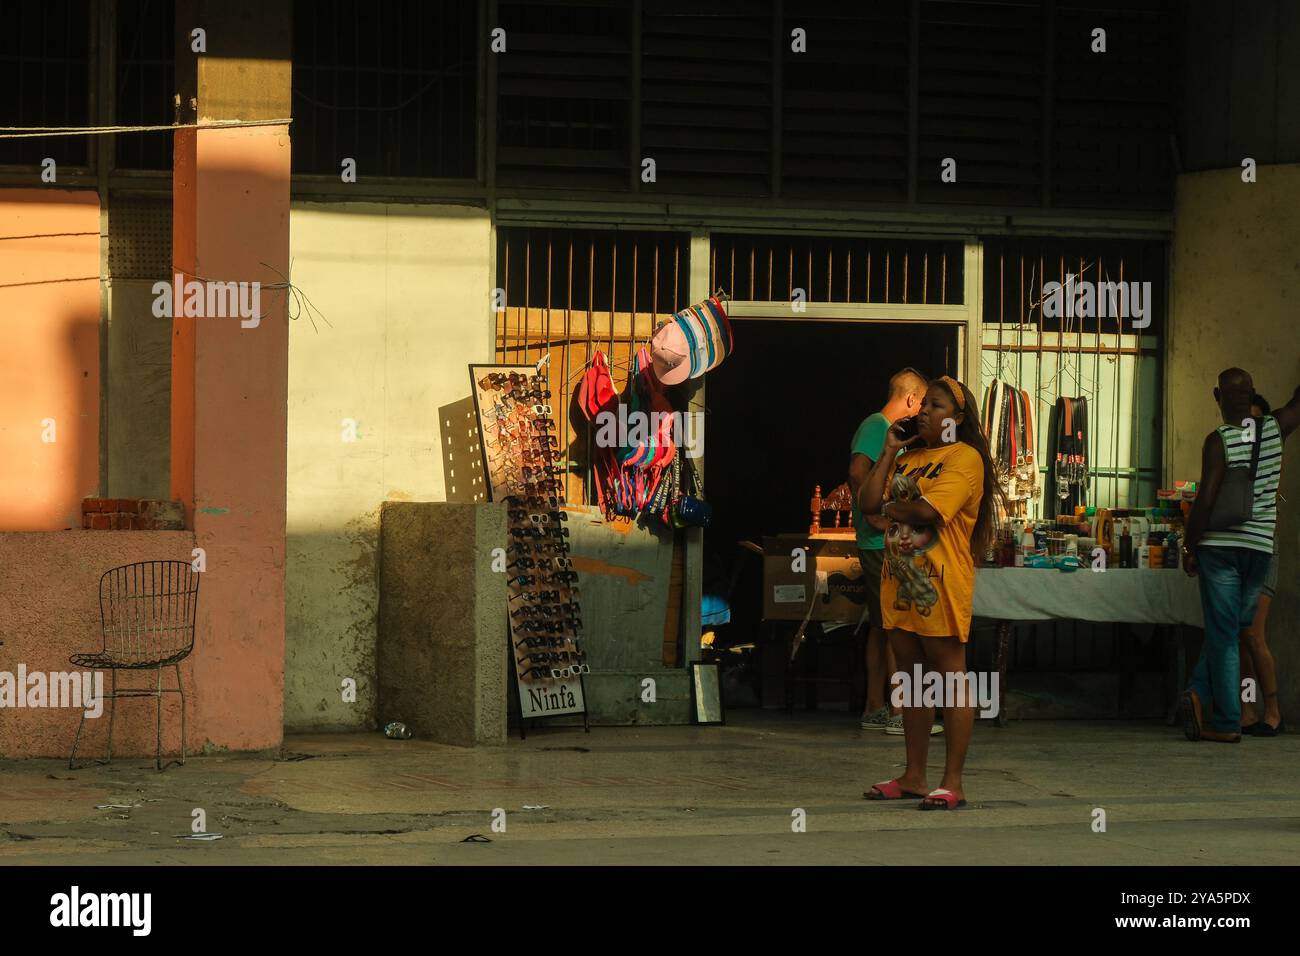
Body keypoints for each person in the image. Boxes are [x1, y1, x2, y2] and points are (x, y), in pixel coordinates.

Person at [859, 375, 1004, 810]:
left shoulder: (965, 458)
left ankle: (952, 782)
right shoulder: (909, 457)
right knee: (912, 681)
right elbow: (866, 502)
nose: (924, 412)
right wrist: (888, 451)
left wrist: (889, 510)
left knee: (950, 682)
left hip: (940, 585)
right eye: (923, 405)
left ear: (957, 419)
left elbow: (927, 512)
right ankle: (914, 776)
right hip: (900, 583)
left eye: (936, 406)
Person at [1181, 369, 1298, 743]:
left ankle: (1229, 722)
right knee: (1229, 629)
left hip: (1221, 549)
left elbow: (1207, 499)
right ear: (1252, 394)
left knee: (1223, 633)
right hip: (1260, 550)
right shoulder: (1275, 428)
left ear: (1217, 396)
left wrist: (1189, 545)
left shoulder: (1219, 440)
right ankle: (1197, 694)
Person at [847, 368, 940, 736]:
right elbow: (857, 472)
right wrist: (875, 516)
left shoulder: (879, 428)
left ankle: (875, 708)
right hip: (878, 543)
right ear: (912, 400)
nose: (924, 414)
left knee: (881, 627)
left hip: (877, 542)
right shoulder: (877, 426)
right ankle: (900, 712)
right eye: (925, 404)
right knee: (896, 624)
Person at [1239, 397, 1284, 735]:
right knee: (1241, 638)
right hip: (1237, 550)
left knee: (1254, 634)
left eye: (1256, 422)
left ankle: (1272, 709)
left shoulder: (1269, 461)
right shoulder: (1230, 453)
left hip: (1262, 549)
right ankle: (1248, 707)